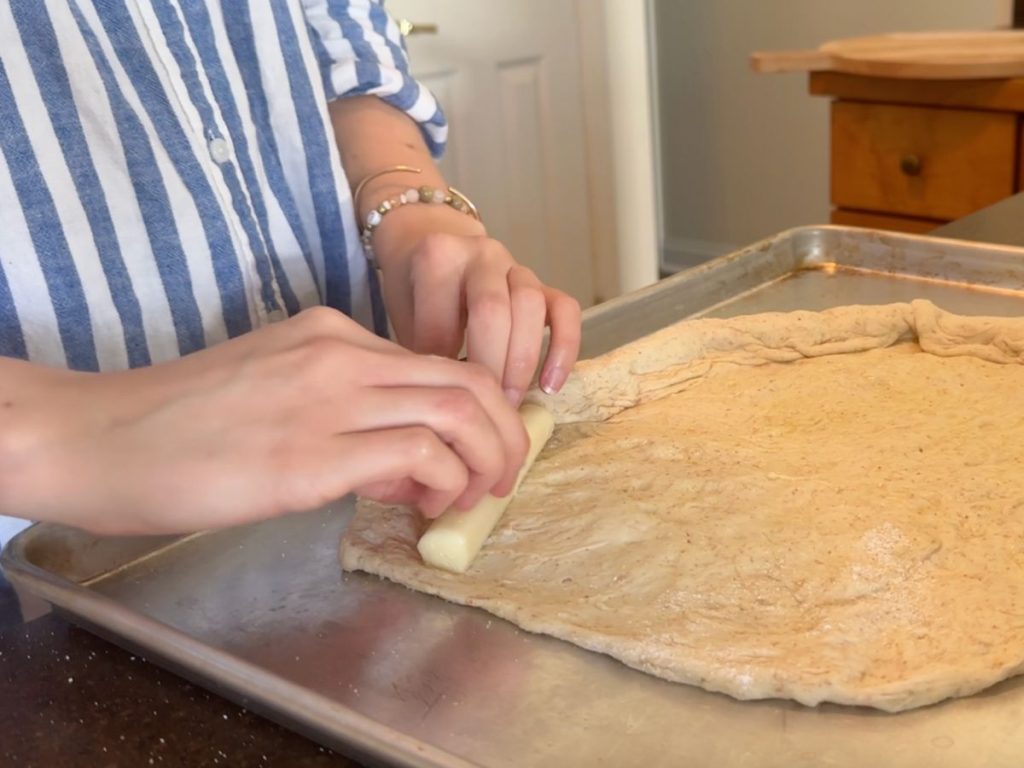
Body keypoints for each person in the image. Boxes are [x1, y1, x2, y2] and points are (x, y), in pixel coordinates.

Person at [0, 1, 581, 544]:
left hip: (365, 460)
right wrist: (91, 432)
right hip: (44, 556)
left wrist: (409, 209)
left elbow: (342, 29)